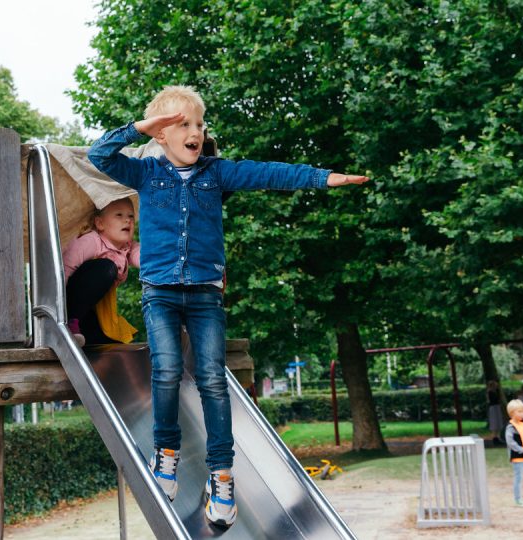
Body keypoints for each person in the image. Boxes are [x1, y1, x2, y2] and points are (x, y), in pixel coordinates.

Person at [87, 85, 369, 528]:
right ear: (162, 135)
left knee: (212, 382)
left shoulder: (217, 174)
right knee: (164, 371)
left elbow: (268, 173)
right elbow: (99, 154)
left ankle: (221, 475)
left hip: (204, 294)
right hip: (159, 292)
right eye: (184, 125)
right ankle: (166, 456)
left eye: (199, 124)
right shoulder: (145, 173)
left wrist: (322, 178)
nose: (196, 132)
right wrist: (140, 127)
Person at [62, 197, 140, 346]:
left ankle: (80, 330)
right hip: (65, 302)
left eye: (131, 216)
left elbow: (145, 258)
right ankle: (68, 324)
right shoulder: (91, 240)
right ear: (100, 223)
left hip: (90, 312)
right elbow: (64, 269)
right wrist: (55, 315)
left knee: (113, 345)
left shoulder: (127, 246)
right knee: (107, 268)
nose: (127, 220)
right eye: (119, 215)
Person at [486, 380, 506, 445]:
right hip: (493, 407)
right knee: (494, 422)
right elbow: (494, 400)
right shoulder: (490, 392)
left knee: (498, 422)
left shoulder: (495, 392)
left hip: (496, 407)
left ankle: (497, 437)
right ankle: (495, 437)